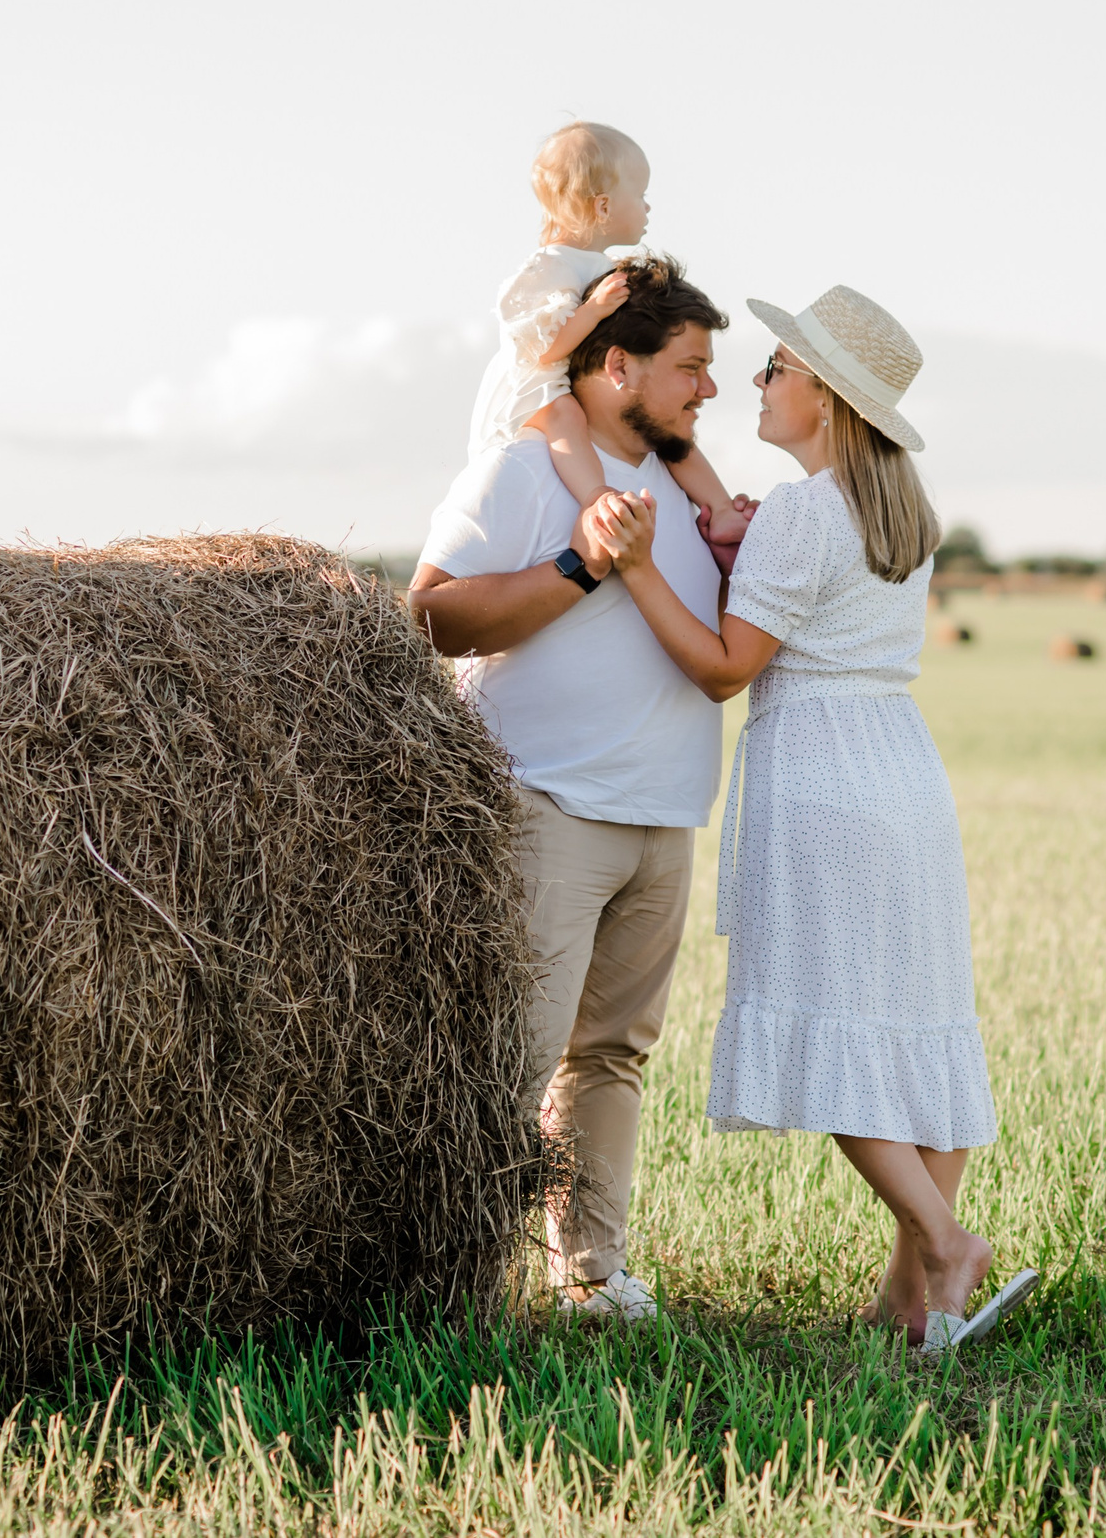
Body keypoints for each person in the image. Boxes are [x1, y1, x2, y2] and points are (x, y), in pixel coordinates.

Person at [595, 284, 1040, 1356]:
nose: (758, 382)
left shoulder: (802, 512)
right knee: (911, 1024)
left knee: (835, 1029)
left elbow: (720, 670)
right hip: (899, 768)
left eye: (777, 369)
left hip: (820, 777)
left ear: (828, 398)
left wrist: (638, 565)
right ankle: (909, 1299)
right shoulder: (901, 510)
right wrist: (741, 536)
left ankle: (944, 1241)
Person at [411, 255, 734, 1323]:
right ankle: (450, 1284)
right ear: (612, 365)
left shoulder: (691, 489)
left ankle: (591, 1273)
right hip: (546, 806)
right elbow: (429, 613)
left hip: (667, 812)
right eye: (688, 366)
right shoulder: (521, 473)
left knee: (612, 1057)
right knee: (511, 1055)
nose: (706, 389)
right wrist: (576, 568)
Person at [465, 123, 751, 553]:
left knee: (666, 427)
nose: (648, 206)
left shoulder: (600, 265)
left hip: (584, 383)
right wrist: (594, 310)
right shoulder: (549, 269)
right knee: (565, 417)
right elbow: (543, 351)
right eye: (640, 195)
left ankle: (722, 509)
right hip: (544, 385)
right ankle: (596, 498)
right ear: (602, 206)